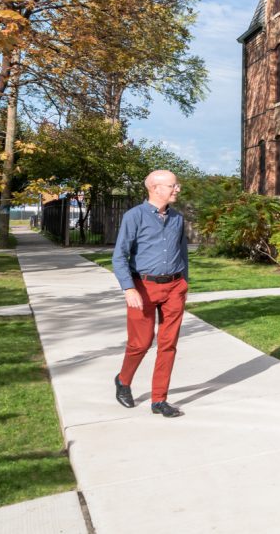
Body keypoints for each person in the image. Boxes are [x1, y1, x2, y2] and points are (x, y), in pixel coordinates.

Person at [111, 169, 189, 417]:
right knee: (140, 343)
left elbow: (183, 252)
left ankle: (159, 400)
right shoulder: (134, 216)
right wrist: (129, 288)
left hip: (175, 288)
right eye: (173, 186)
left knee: (168, 345)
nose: (177, 189)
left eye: (176, 185)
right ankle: (123, 380)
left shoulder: (177, 218)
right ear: (155, 188)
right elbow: (119, 256)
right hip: (143, 288)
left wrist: (184, 283)